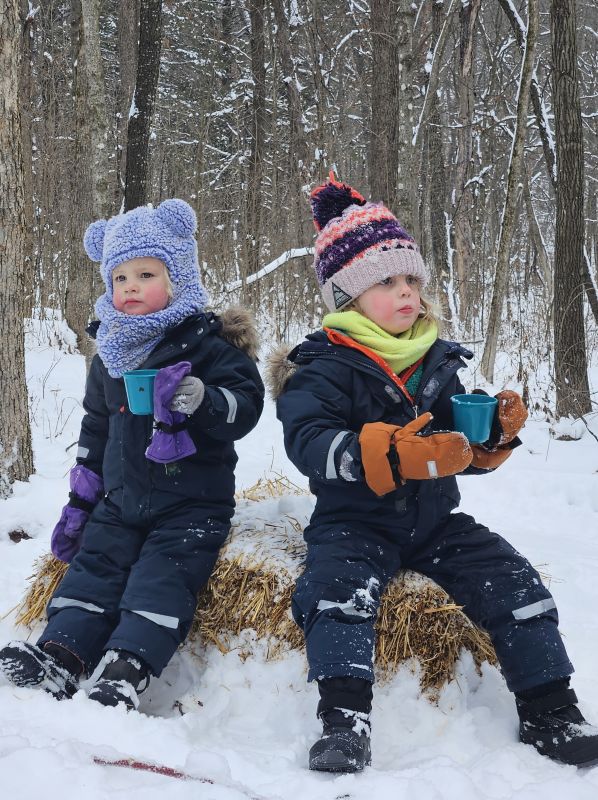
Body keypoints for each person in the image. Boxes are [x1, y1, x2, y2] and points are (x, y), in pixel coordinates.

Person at [269, 173, 598, 772]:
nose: (406, 294)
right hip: (353, 520)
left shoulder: (435, 360)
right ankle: (345, 719)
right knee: (335, 596)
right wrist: (396, 453)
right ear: (348, 295)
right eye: (386, 282)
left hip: (434, 520)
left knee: (514, 582)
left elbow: (455, 442)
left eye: (411, 280)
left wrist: (492, 432)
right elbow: (309, 442)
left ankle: (552, 708)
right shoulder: (322, 366)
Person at [0, 199, 264, 710]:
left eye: (146, 274)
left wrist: (202, 399)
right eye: (120, 278)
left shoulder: (209, 347)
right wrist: (83, 496)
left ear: (179, 278)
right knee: (94, 568)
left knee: (162, 578)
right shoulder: (113, 355)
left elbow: (246, 407)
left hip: (191, 503)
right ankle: (63, 652)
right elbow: (97, 426)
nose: (131, 287)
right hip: (121, 500)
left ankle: (127, 667)